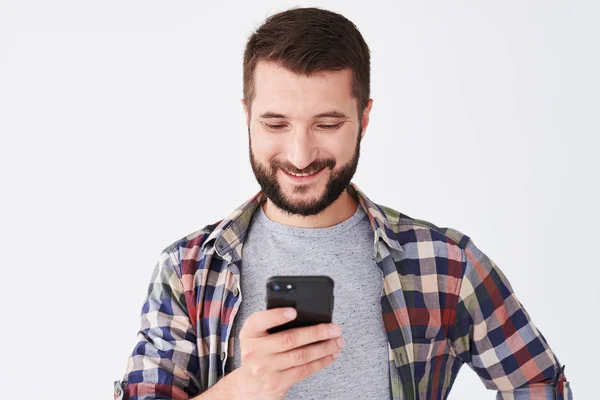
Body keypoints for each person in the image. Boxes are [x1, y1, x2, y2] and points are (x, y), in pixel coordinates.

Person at [114, 7, 572, 400]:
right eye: (275, 124)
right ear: (246, 116)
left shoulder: (448, 265)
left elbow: (538, 383)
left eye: (327, 124)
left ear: (364, 118)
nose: (299, 155)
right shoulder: (188, 270)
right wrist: (244, 387)